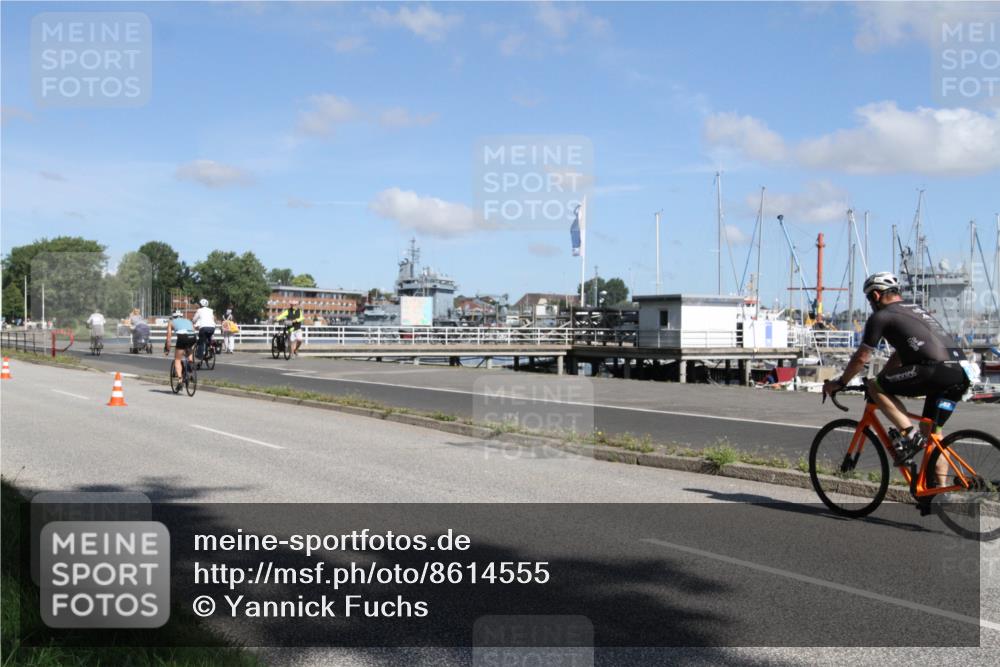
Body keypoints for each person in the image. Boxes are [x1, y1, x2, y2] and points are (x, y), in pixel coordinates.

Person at [823, 272, 970, 464]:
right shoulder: (916, 310)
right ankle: (938, 492)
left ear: (876, 295)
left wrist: (841, 382)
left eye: (869, 299)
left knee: (876, 386)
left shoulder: (882, 316)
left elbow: (862, 357)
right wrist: (885, 378)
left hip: (934, 370)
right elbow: (899, 354)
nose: (870, 304)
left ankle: (910, 436)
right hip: (958, 374)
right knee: (932, 435)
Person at [164, 310, 197, 380]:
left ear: (173, 316)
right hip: (192, 337)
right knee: (189, 351)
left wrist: (167, 348)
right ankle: (190, 367)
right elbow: (193, 331)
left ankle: (180, 380)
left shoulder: (171, 322)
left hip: (182, 337)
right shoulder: (188, 321)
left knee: (177, 359)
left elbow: (169, 337)